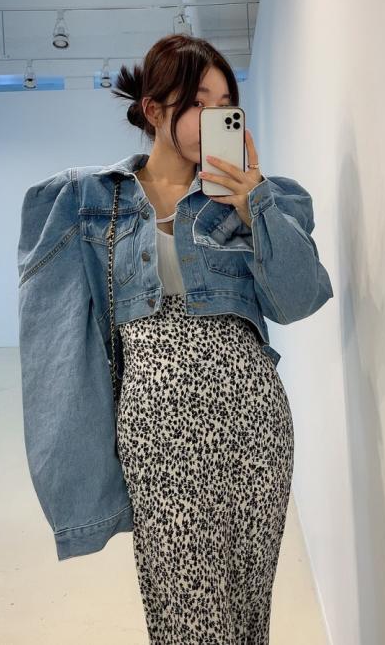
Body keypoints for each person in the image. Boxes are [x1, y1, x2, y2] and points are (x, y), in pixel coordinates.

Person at [110, 34, 295, 643]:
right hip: (157, 430)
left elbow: (299, 299)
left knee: (246, 608)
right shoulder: (100, 204)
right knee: (184, 611)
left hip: (253, 421)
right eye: (198, 102)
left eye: (225, 105)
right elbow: (77, 335)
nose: (215, 116)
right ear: (153, 109)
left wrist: (256, 204)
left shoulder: (257, 200)